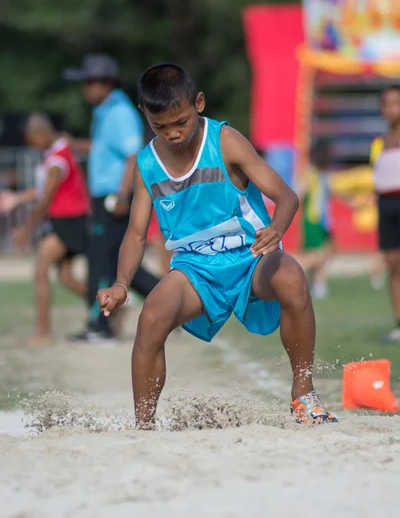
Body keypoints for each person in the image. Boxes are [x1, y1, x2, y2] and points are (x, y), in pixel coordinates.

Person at [97, 63, 337, 429]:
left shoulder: (225, 141)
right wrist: (121, 285)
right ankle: (143, 424)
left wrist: (275, 228)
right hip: (195, 269)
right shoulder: (146, 163)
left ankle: (303, 395)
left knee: (292, 278)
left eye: (180, 122)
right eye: (160, 127)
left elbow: (286, 197)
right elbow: (136, 233)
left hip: (250, 258)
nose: (173, 134)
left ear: (199, 103)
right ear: (146, 116)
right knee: (152, 318)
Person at [63, 54, 160, 342]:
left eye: (89, 82)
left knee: (100, 261)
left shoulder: (119, 113)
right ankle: (174, 301)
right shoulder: (106, 111)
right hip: (107, 197)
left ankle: (100, 325)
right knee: (122, 263)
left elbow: (133, 154)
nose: (85, 89)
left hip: (114, 198)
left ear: (105, 83)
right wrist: (72, 143)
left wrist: (121, 194)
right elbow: (104, 149)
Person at [0, 113, 89, 345]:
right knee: (67, 279)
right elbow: (43, 190)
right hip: (68, 220)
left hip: (67, 222)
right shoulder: (55, 154)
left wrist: (26, 229)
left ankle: (43, 333)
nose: (31, 145)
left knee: (40, 271)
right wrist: (18, 198)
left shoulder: (57, 159)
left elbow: (46, 198)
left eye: (31, 140)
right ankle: (114, 307)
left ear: (40, 135)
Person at [370, 85, 400, 344]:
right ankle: (399, 324)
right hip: (385, 205)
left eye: (395, 103)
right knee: (393, 265)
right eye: (386, 103)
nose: (390, 109)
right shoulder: (381, 142)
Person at [297, 141, 335, 299]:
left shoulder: (322, 175)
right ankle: (296, 269)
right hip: (313, 220)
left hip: (322, 220)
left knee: (325, 251)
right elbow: (299, 194)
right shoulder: (310, 174)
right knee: (317, 254)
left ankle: (319, 284)